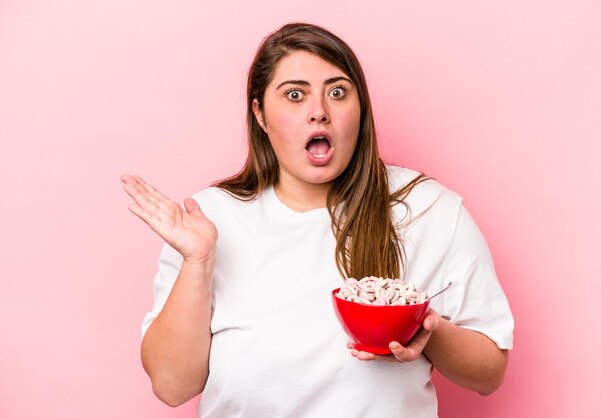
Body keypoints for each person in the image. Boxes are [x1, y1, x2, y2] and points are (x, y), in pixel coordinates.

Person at [121, 22, 513, 418]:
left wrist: (425, 328)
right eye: (295, 95)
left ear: (361, 108)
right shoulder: (207, 221)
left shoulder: (429, 209)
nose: (319, 113)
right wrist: (198, 262)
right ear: (259, 113)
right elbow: (172, 387)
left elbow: (489, 373)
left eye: (338, 92)